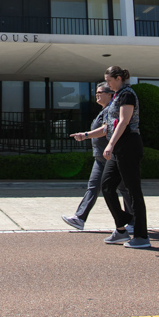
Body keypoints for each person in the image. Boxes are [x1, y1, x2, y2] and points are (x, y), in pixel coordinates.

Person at [73, 66, 149, 249]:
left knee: (133, 191)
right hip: (117, 148)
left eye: (108, 81)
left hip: (129, 145)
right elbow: (106, 127)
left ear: (118, 78)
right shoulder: (115, 97)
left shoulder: (127, 95)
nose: (107, 84)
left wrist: (110, 144)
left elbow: (124, 121)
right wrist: (85, 135)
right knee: (107, 186)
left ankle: (141, 236)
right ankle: (121, 228)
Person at [64, 82, 134, 232]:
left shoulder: (111, 110)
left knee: (123, 189)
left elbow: (105, 129)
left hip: (111, 157)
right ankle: (80, 218)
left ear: (110, 94)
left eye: (100, 92)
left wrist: (85, 135)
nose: (97, 94)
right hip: (101, 157)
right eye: (96, 92)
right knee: (94, 187)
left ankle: (133, 221)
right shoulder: (104, 111)